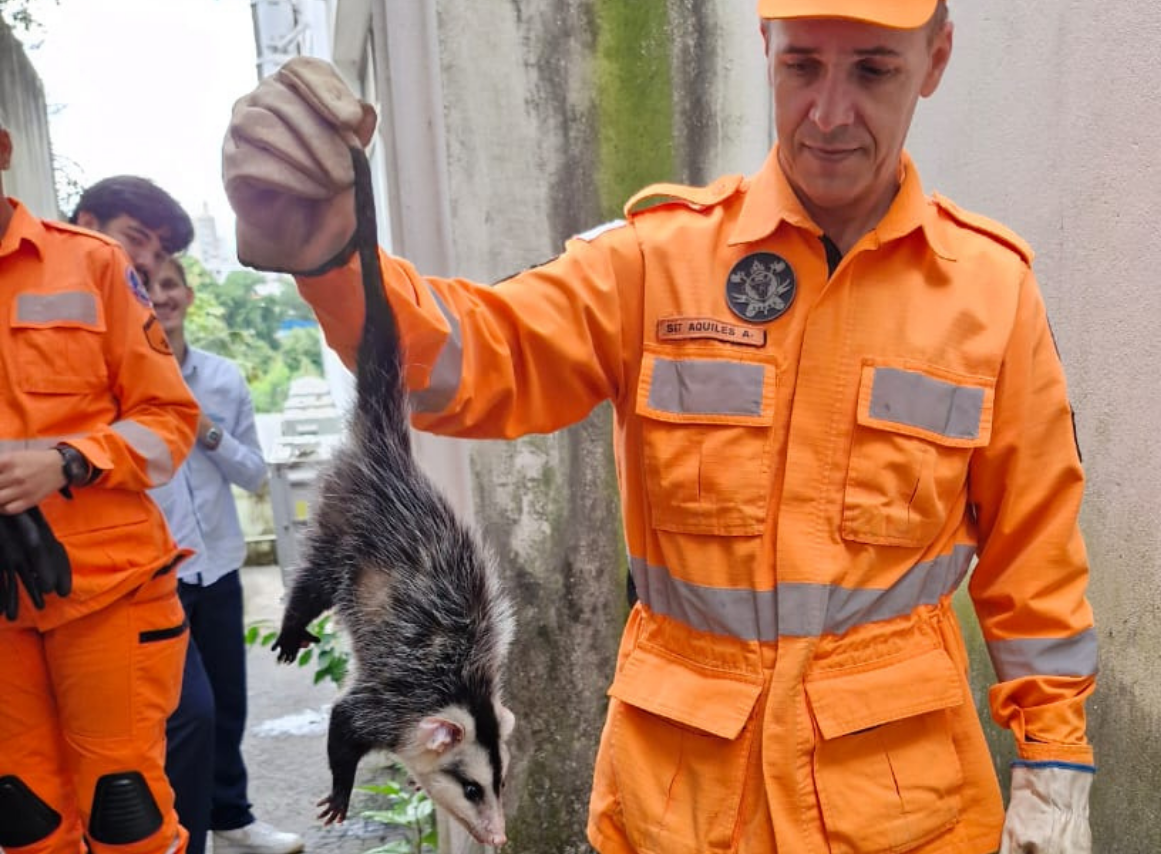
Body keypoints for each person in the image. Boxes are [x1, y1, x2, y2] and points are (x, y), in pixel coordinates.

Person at [220, 1, 1099, 852]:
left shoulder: (988, 293)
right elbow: (474, 361)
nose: (830, 113)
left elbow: (1036, 556)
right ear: (766, 44)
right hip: (682, 810)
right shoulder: (656, 262)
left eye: (873, 70)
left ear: (936, 60)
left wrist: (1054, 768)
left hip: (902, 818)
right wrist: (339, 257)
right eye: (801, 66)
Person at [0, 110, 199, 853]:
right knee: (22, 819)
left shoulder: (93, 265)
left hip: (107, 592)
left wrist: (68, 460)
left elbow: (169, 422)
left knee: (127, 813)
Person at [145, 256, 302, 854]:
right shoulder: (119, 380)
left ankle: (231, 814)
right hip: (154, 571)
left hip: (218, 564)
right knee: (181, 715)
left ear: (186, 294)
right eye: (149, 287)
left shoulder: (223, 377)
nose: (161, 298)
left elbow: (254, 473)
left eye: (169, 285)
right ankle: (179, 831)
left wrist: (202, 427)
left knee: (228, 703)